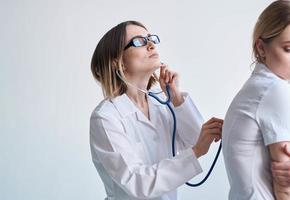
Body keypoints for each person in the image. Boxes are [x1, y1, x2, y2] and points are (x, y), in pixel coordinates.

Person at [89, 20, 223, 200]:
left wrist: (176, 98)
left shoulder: (162, 104)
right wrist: (197, 150)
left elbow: (194, 140)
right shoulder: (106, 117)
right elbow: (136, 183)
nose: (151, 45)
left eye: (150, 38)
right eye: (139, 41)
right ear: (117, 62)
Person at [222, 1, 290, 199]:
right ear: (261, 47)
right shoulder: (275, 91)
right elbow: (285, 189)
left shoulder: (258, 87)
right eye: (289, 49)